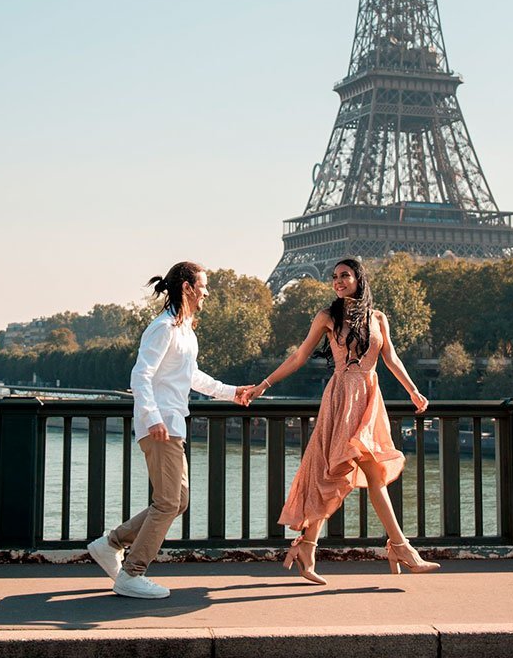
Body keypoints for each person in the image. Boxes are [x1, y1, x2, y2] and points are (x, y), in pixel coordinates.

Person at [243, 257, 439, 585]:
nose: (338, 281)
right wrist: (264, 385)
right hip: (341, 398)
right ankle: (399, 547)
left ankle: (309, 547)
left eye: (345, 275)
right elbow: (299, 356)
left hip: (369, 398)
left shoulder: (378, 318)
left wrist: (413, 391)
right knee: (349, 472)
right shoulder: (327, 316)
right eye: (334, 276)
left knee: (351, 474)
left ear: (359, 279)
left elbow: (391, 358)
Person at [86, 262, 249, 599]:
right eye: (203, 286)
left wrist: (232, 393)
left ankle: (111, 543)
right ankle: (132, 573)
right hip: (161, 426)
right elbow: (140, 375)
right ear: (187, 287)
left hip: (171, 424)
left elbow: (192, 376)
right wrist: (153, 416)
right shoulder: (163, 328)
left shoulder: (184, 330)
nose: (207, 293)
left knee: (178, 501)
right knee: (166, 503)